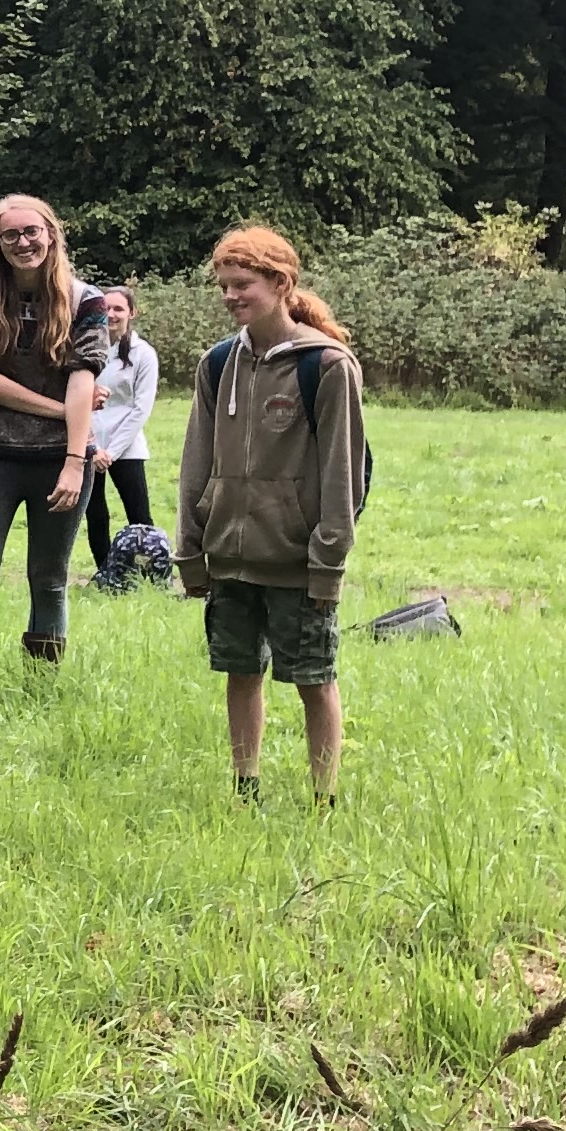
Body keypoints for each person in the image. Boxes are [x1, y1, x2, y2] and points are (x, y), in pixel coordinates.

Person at [178, 224, 371, 805]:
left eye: (243, 285)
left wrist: (327, 564)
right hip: (230, 560)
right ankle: (245, 788)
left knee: (314, 680)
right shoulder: (216, 364)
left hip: (297, 560)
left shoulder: (328, 367)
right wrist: (190, 550)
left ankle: (324, 798)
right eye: (224, 287)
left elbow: (343, 472)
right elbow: (195, 461)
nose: (232, 296)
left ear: (281, 283)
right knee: (241, 673)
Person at [0, 192, 112, 675]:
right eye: (11, 235)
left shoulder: (88, 300)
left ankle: (42, 686)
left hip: (61, 461)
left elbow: (84, 374)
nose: (23, 242)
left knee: (50, 577)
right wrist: (63, 411)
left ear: (51, 235)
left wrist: (74, 459)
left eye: (31, 232)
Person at [84, 281, 163, 582]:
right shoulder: (87, 346)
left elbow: (140, 408)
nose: (112, 314)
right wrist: (91, 447)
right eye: (106, 308)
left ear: (132, 313)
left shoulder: (144, 354)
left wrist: (111, 452)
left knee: (139, 515)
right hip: (89, 445)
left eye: (119, 308)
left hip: (126, 447)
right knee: (94, 512)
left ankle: (152, 575)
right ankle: (107, 573)